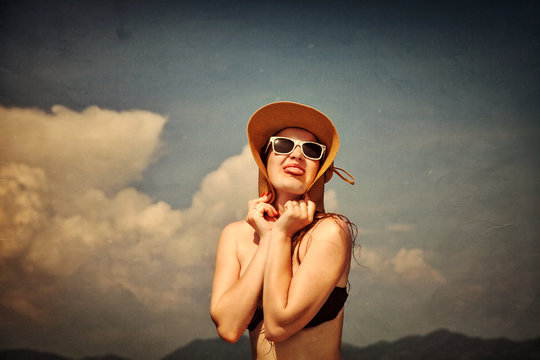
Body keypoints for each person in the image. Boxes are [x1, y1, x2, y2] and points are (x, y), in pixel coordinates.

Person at [210, 101, 357, 360]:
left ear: (321, 168)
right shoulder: (235, 235)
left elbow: (278, 325)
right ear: (264, 159)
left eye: (311, 150)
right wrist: (269, 238)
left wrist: (279, 235)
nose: (297, 155)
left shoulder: (330, 231)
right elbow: (229, 327)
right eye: (282, 145)